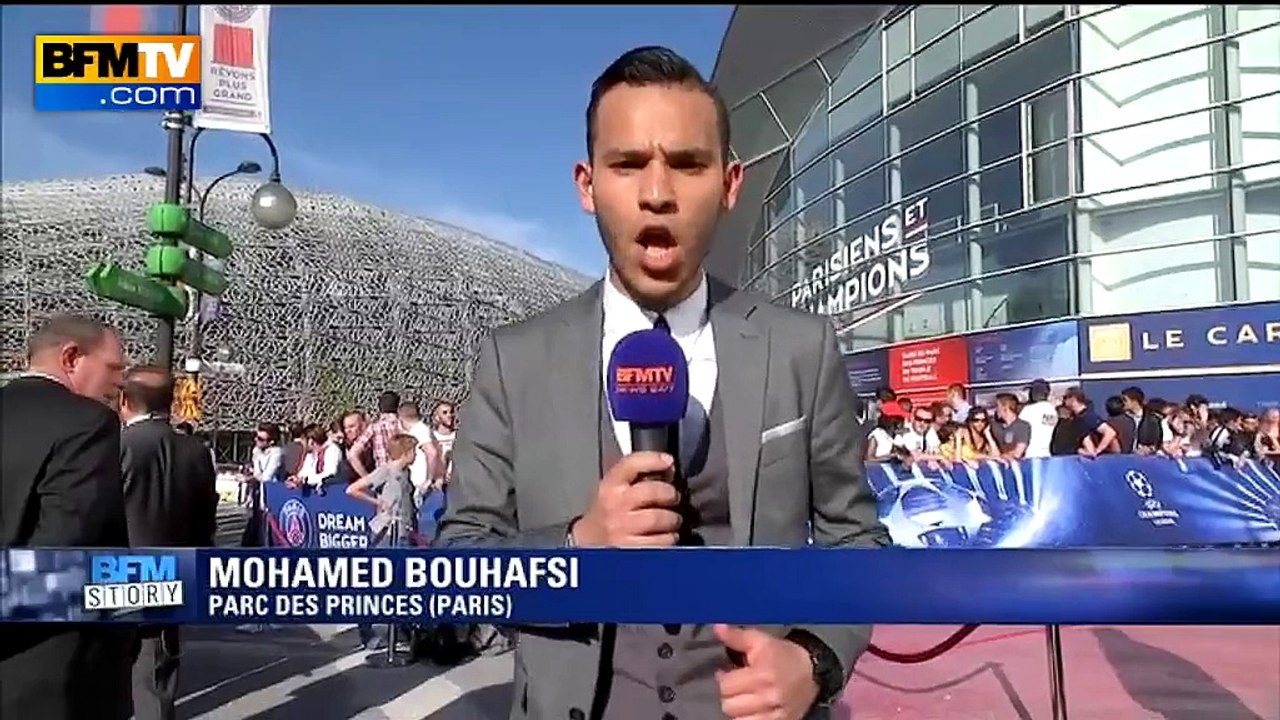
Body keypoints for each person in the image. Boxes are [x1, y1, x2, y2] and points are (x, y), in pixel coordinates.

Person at [435, 46, 889, 720]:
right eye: (627, 164)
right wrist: (576, 546)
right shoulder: (514, 360)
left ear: (730, 184)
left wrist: (815, 659)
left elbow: (858, 545)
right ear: (587, 186)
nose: (657, 192)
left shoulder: (800, 347)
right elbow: (456, 573)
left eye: (686, 163)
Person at [0, 314, 133, 720]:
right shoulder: (87, 423)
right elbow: (60, 550)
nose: (120, 382)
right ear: (71, 358)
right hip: (53, 666)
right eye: (113, 367)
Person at [117, 365, 219, 720]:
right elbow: (207, 516)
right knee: (157, 670)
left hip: (115, 571)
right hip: (175, 572)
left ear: (124, 399)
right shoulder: (195, 450)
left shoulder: (118, 446)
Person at [346, 433, 419, 652]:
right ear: (406, 453)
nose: (415, 455)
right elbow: (353, 489)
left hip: (405, 534)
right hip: (387, 535)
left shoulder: (406, 474)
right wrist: (378, 502)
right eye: (414, 451)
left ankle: (401, 632)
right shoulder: (386, 471)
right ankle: (369, 633)